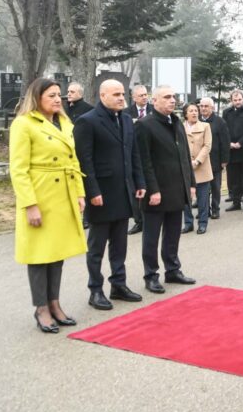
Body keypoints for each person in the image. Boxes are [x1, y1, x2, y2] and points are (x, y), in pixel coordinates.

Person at [9, 77, 87, 333]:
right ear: (37, 98)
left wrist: (79, 193)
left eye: (58, 95)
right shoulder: (23, 124)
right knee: (39, 255)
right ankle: (41, 307)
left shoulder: (64, 122)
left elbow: (73, 161)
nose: (57, 99)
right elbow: (18, 169)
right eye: (51, 95)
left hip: (63, 193)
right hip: (41, 195)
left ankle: (54, 303)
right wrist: (30, 204)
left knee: (57, 253)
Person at [73, 79, 146, 311]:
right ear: (102, 95)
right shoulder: (87, 121)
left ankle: (119, 284)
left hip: (123, 191)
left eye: (123, 94)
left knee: (119, 244)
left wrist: (139, 181)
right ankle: (95, 290)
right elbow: (85, 160)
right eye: (116, 94)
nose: (121, 98)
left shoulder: (125, 119)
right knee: (97, 247)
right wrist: (92, 191)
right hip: (101, 194)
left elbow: (133, 153)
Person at [136, 85, 197, 293]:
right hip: (157, 191)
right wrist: (152, 189)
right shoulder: (145, 125)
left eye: (174, 97)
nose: (172, 100)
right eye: (167, 97)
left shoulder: (176, 122)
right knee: (151, 237)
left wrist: (191, 184)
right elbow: (144, 161)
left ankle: (172, 270)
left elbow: (184, 156)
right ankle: (151, 275)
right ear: (154, 101)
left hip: (177, 189)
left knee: (173, 234)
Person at [180, 103, 213, 234]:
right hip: (185, 167)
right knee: (186, 198)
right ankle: (188, 223)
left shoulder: (205, 126)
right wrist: (187, 162)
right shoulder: (180, 127)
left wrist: (198, 160)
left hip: (202, 166)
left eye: (195, 110)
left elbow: (207, 145)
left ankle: (203, 223)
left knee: (203, 198)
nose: (194, 113)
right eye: (191, 111)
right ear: (185, 114)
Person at [126, 84, 153, 235]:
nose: (144, 97)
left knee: (151, 187)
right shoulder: (126, 113)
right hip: (133, 155)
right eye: (141, 95)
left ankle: (152, 218)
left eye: (145, 95)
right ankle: (139, 221)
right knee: (135, 190)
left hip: (151, 154)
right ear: (134, 97)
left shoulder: (153, 111)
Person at [198, 97, 230, 219]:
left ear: (212, 108)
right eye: (201, 106)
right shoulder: (197, 121)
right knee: (202, 188)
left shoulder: (219, 122)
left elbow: (225, 142)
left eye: (206, 106)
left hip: (215, 160)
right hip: (200, 161)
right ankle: (204, 210)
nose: (203, 108)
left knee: (215, 187)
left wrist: (224, 160)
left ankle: (215, 209)